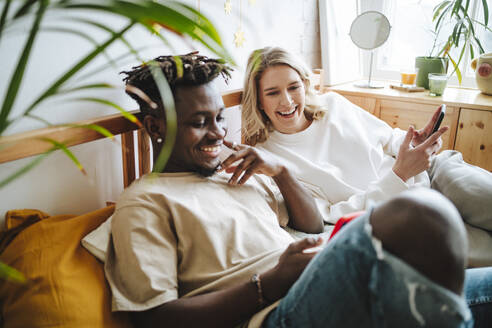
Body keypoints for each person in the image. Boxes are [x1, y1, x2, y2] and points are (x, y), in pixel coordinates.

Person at [103, 52, 492, 328]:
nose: (219, 133)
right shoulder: (144, 203)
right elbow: (153, 318)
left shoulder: (237, 172)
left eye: (220, 118)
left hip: (315, 280)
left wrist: (282, 173)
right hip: (273, 312)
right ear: (155, 128)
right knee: (421, 214)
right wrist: (268, 283)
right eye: (200, 122)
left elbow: (308, 225)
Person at [241, 46, 492, 266]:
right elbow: (332, 215)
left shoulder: (333, 104)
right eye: (273, 93)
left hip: (433, 173)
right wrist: (400, 174)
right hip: (401, 214)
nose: (287, 101)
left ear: (305, 85)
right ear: (259, 101)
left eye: (293, 87)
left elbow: (388, 136)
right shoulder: (271, 159)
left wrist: (412, 143)